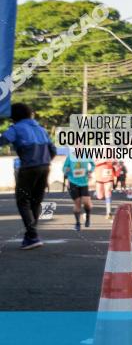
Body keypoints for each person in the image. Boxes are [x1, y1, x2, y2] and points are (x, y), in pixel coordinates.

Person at [0, 103, 57, 249]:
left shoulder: (16, 128)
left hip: (28, 168)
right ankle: (31, 235)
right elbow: (53, 150)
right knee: (35, 202)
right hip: (45, 167)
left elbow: (3, 141)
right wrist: (44, 162)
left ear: (13, 116)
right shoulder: (41, 129)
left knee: (23, 201)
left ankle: (32, 236)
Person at [63, 152, 95, 232]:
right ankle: (77, 223)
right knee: (77, 203)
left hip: (84, 182)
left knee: (86, 202)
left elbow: (93, 164)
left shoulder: (86, 155)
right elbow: (64, 167)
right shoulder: (70, 156)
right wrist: (66, 170)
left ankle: (88, 217)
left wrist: (90, 171)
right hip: (73, 182)